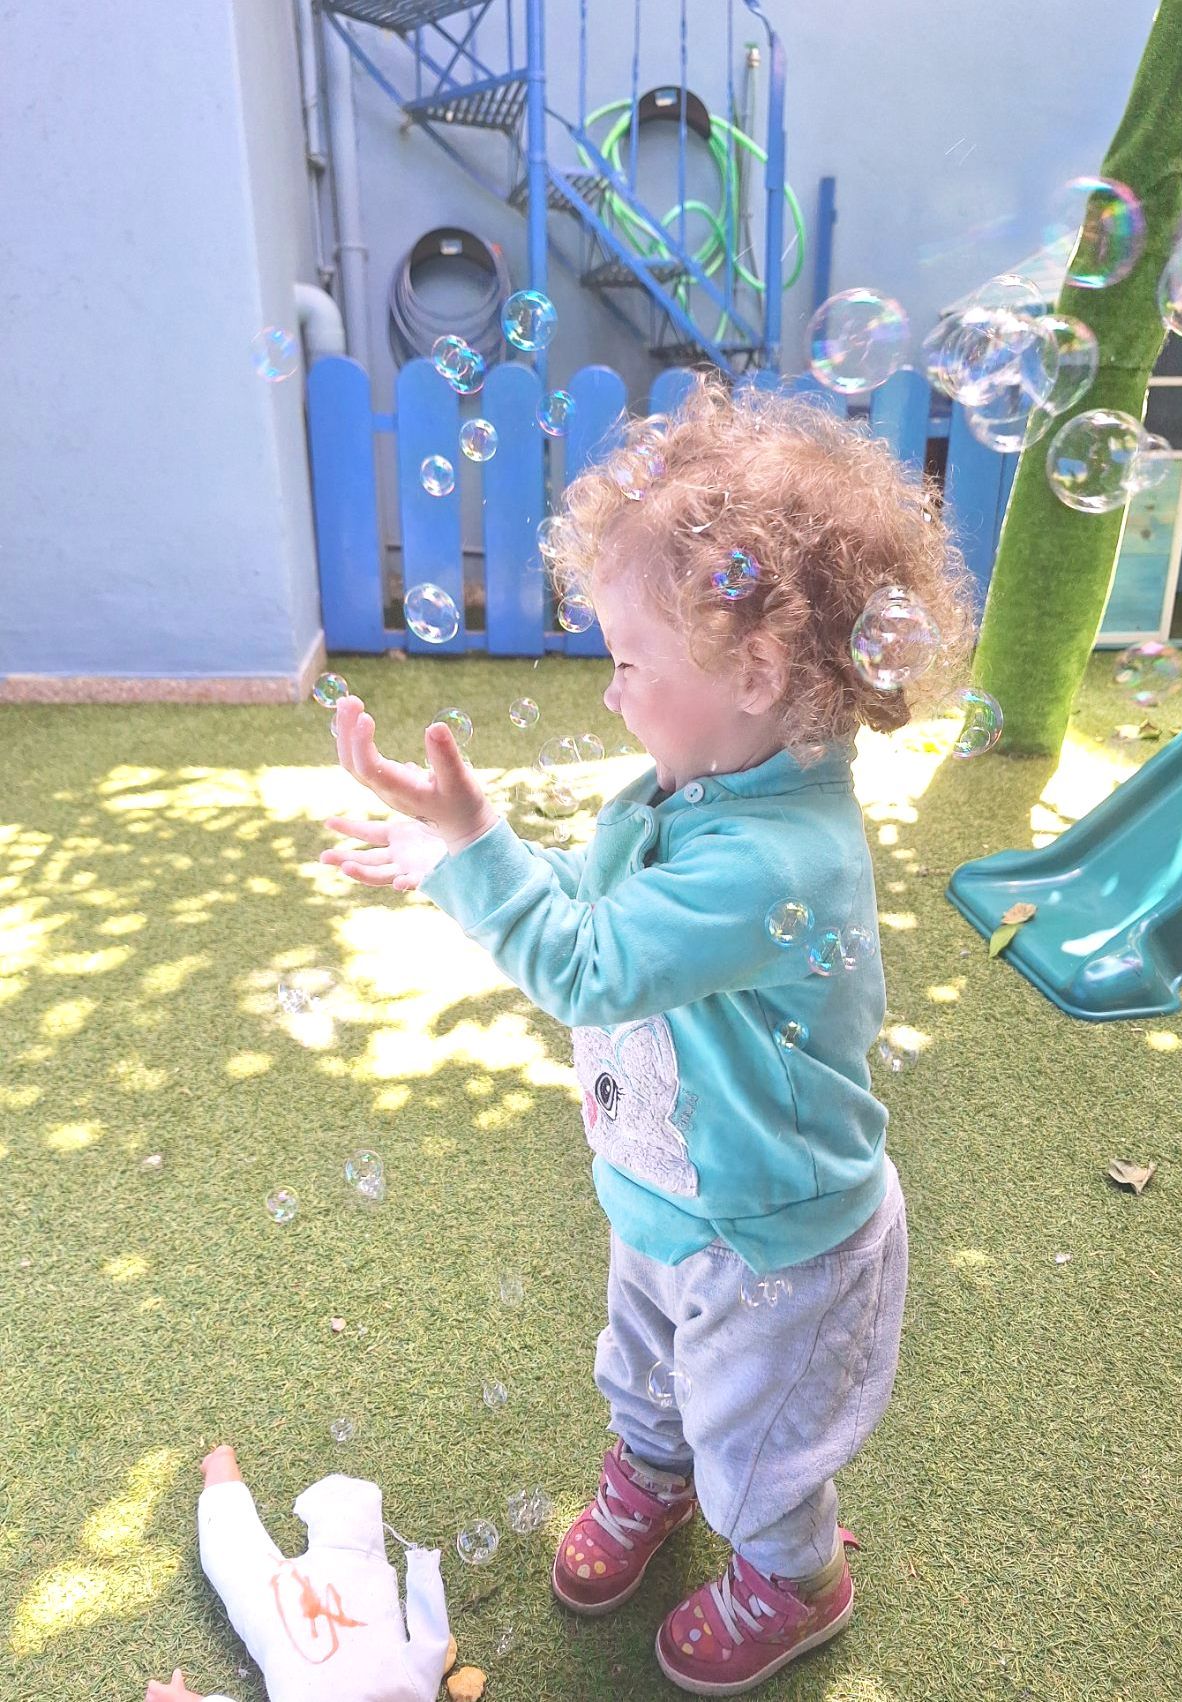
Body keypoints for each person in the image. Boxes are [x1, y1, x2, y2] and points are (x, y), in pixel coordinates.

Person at [321, 375, 973, 1694]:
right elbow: (599, 897)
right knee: (650, 1366)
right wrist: (468, 852)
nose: (612, 695)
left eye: (629, 662)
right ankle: (655, 1470)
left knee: (758, 1439)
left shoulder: (774, 857)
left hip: (773, 1236)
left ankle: (794, 1574)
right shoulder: (685, 791)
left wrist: (469, 853)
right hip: (667, 1189)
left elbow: (590, 962)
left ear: (755, 673)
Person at [145, 1445, 450, 1702]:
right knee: (350, 1534)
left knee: (232, 1560)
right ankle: (345, 1500)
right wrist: (423, 1573)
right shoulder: (414, 1691)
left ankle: (220, 1470)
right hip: (353, 1577)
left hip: (282, 1613)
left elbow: (432, 1647)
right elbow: (432, 1645)